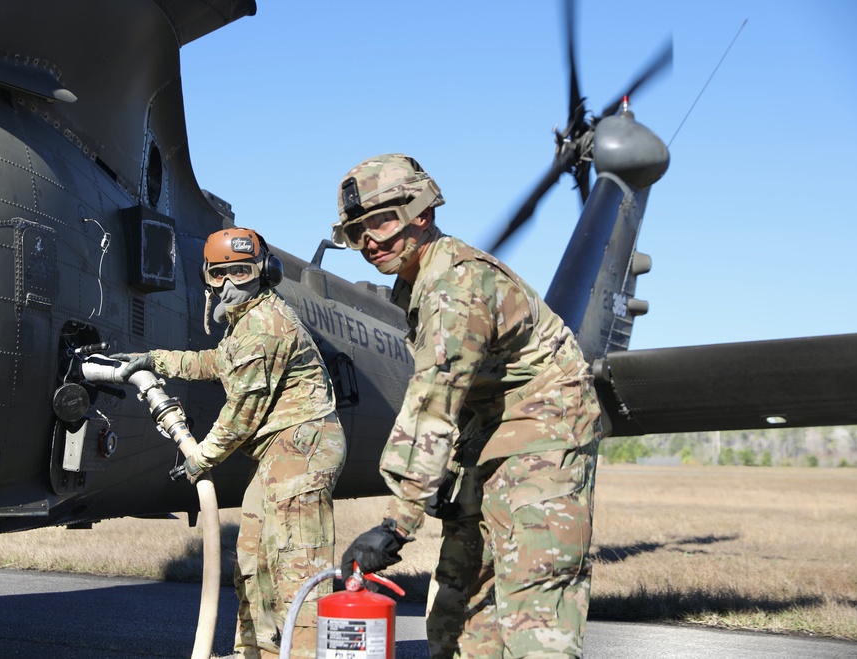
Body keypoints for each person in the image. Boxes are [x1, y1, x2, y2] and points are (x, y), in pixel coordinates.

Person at [332, 154, 602, 659]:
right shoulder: (418, 283)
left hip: (545, 427)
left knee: (534, 605)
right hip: (487, 428)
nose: (369, 241)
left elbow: (435, 401)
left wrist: (397, 524)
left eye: (382, 221)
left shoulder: (454, 286)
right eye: (356, 232)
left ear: (421, 213)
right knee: (458, 594)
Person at [113, 227, 346, 659]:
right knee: (254, 558)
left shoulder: (264, 325)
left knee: (298, 567)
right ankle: (256, 650)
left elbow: (242, 413)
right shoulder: (242, 327)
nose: (229, 284)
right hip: (279, 451)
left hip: (302, 447)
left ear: (263, 272)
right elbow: (214, 363)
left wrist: (201, 458)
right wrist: (154, 359)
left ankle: (307, 653)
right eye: (219, 274)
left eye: (240, 272)